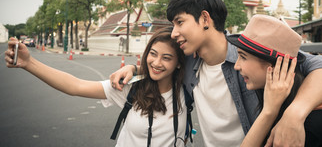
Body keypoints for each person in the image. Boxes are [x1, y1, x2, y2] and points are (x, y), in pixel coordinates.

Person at [110, 0, 322, 147]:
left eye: (180, 22)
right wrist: (134, 68)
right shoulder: (188, 58)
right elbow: (161, 60)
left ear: (204, 19)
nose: (174, 33)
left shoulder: (251, 51)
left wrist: (293, 115)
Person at [5, 27, 188, 147]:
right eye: (153, 54)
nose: (156, 62)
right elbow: (75, 86)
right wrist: (29, 63)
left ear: (179, 63)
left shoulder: (189, 89)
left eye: (166, 58)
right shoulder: (133, 88)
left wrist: (133, 67)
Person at [227, 14, 322, 147]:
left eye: (243, 57)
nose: (236, 66)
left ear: (276, 66)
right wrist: (269, 111)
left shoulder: (307, 127)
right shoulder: (273, 100)